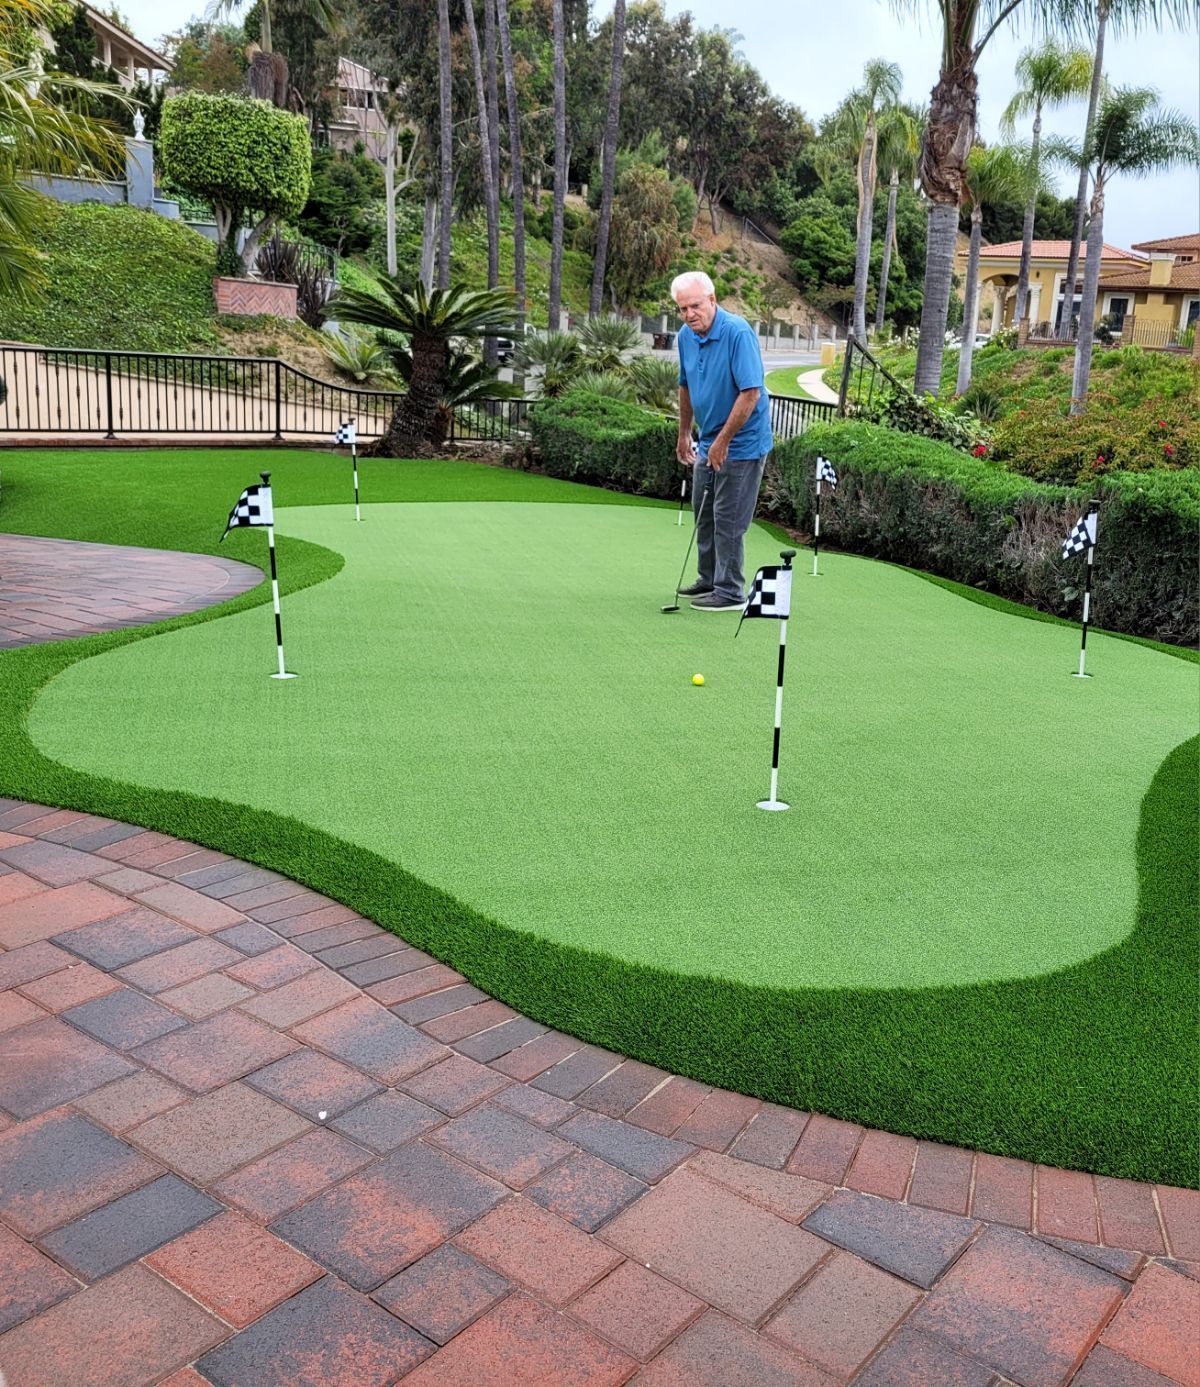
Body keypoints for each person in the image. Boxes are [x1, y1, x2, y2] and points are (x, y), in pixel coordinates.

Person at [673, 271, 773, 611]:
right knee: (704, 511)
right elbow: (685, 386)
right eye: (682, 308)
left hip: (742, 441)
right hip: (709, 437)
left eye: (696, 306)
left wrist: (723, 441)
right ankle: (709, 578)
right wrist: (686, 432)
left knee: (728, 516)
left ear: (713, 300)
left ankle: (730, 591)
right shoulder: (685, 336)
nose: (689, 314)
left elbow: (750, 392)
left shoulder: (737, 333)